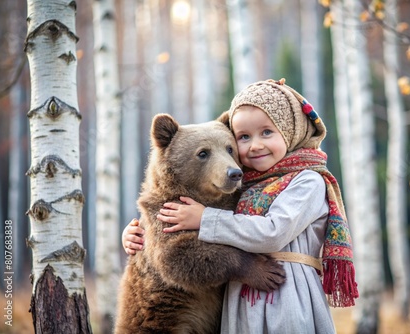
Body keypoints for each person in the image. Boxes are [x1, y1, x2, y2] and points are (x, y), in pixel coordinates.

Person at [122, 79, 358, 333]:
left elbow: (271, 231)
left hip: (289, 298)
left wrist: (205, 219)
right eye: (244, 137)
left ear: (290, 131)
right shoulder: (245, 183)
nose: (255, 145)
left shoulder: (305, 180)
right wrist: (133, 233)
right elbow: (175, 257)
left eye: (266, 132)